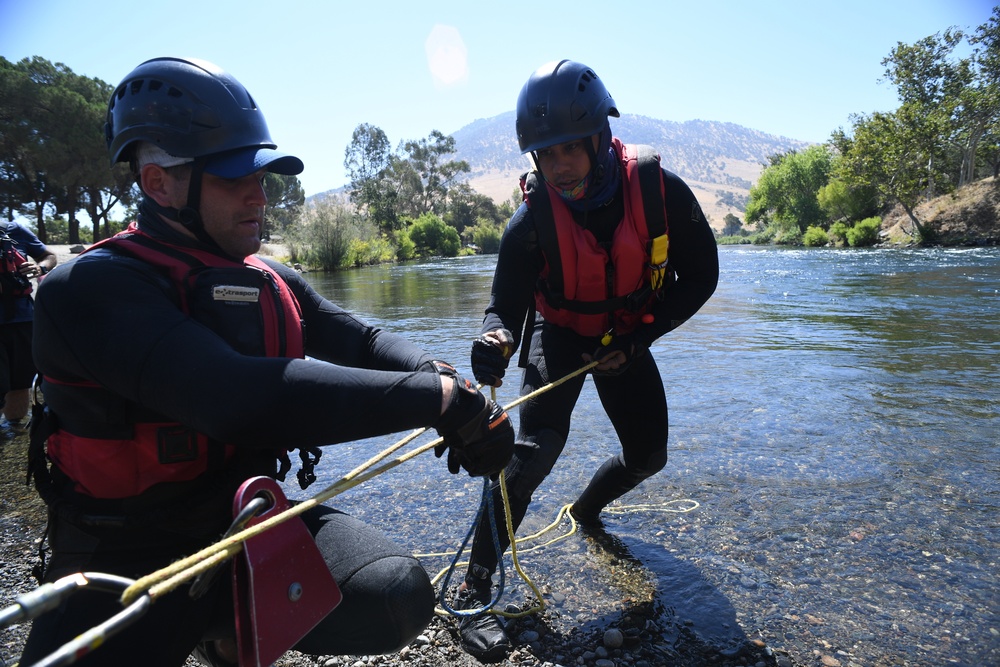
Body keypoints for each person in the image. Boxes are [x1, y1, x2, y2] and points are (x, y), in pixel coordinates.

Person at [19, 56, 514, 667]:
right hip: (123, 555)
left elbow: (364, 342)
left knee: (397, 596)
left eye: (261, 175)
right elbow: (236, 398)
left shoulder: (268, 276)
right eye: (232, 178)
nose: (260, 195)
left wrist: (448, 383)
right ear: (159, 183)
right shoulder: (89, 290)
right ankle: (207, 631)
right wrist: (436, 405)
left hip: (243, 522)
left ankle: (225, 637)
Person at [452, 60, 719, 661]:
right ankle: (476, 584)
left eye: (573, 148)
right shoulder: (532, 219)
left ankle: (586, 513)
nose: (562, 165)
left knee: (649, 458)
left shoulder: (660, 192)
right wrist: (493, 340)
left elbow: (702, 276)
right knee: (532, 453)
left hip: (628, 334)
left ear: (601, 138)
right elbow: (504, 308)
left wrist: (642, 334)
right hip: (562, 335)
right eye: (547, 155)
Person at [0, 220, 56, 433]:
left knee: (21, 382)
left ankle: (13, 431)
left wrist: (39, 267)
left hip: (23, 319)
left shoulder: (13, 230)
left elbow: (48, 256)